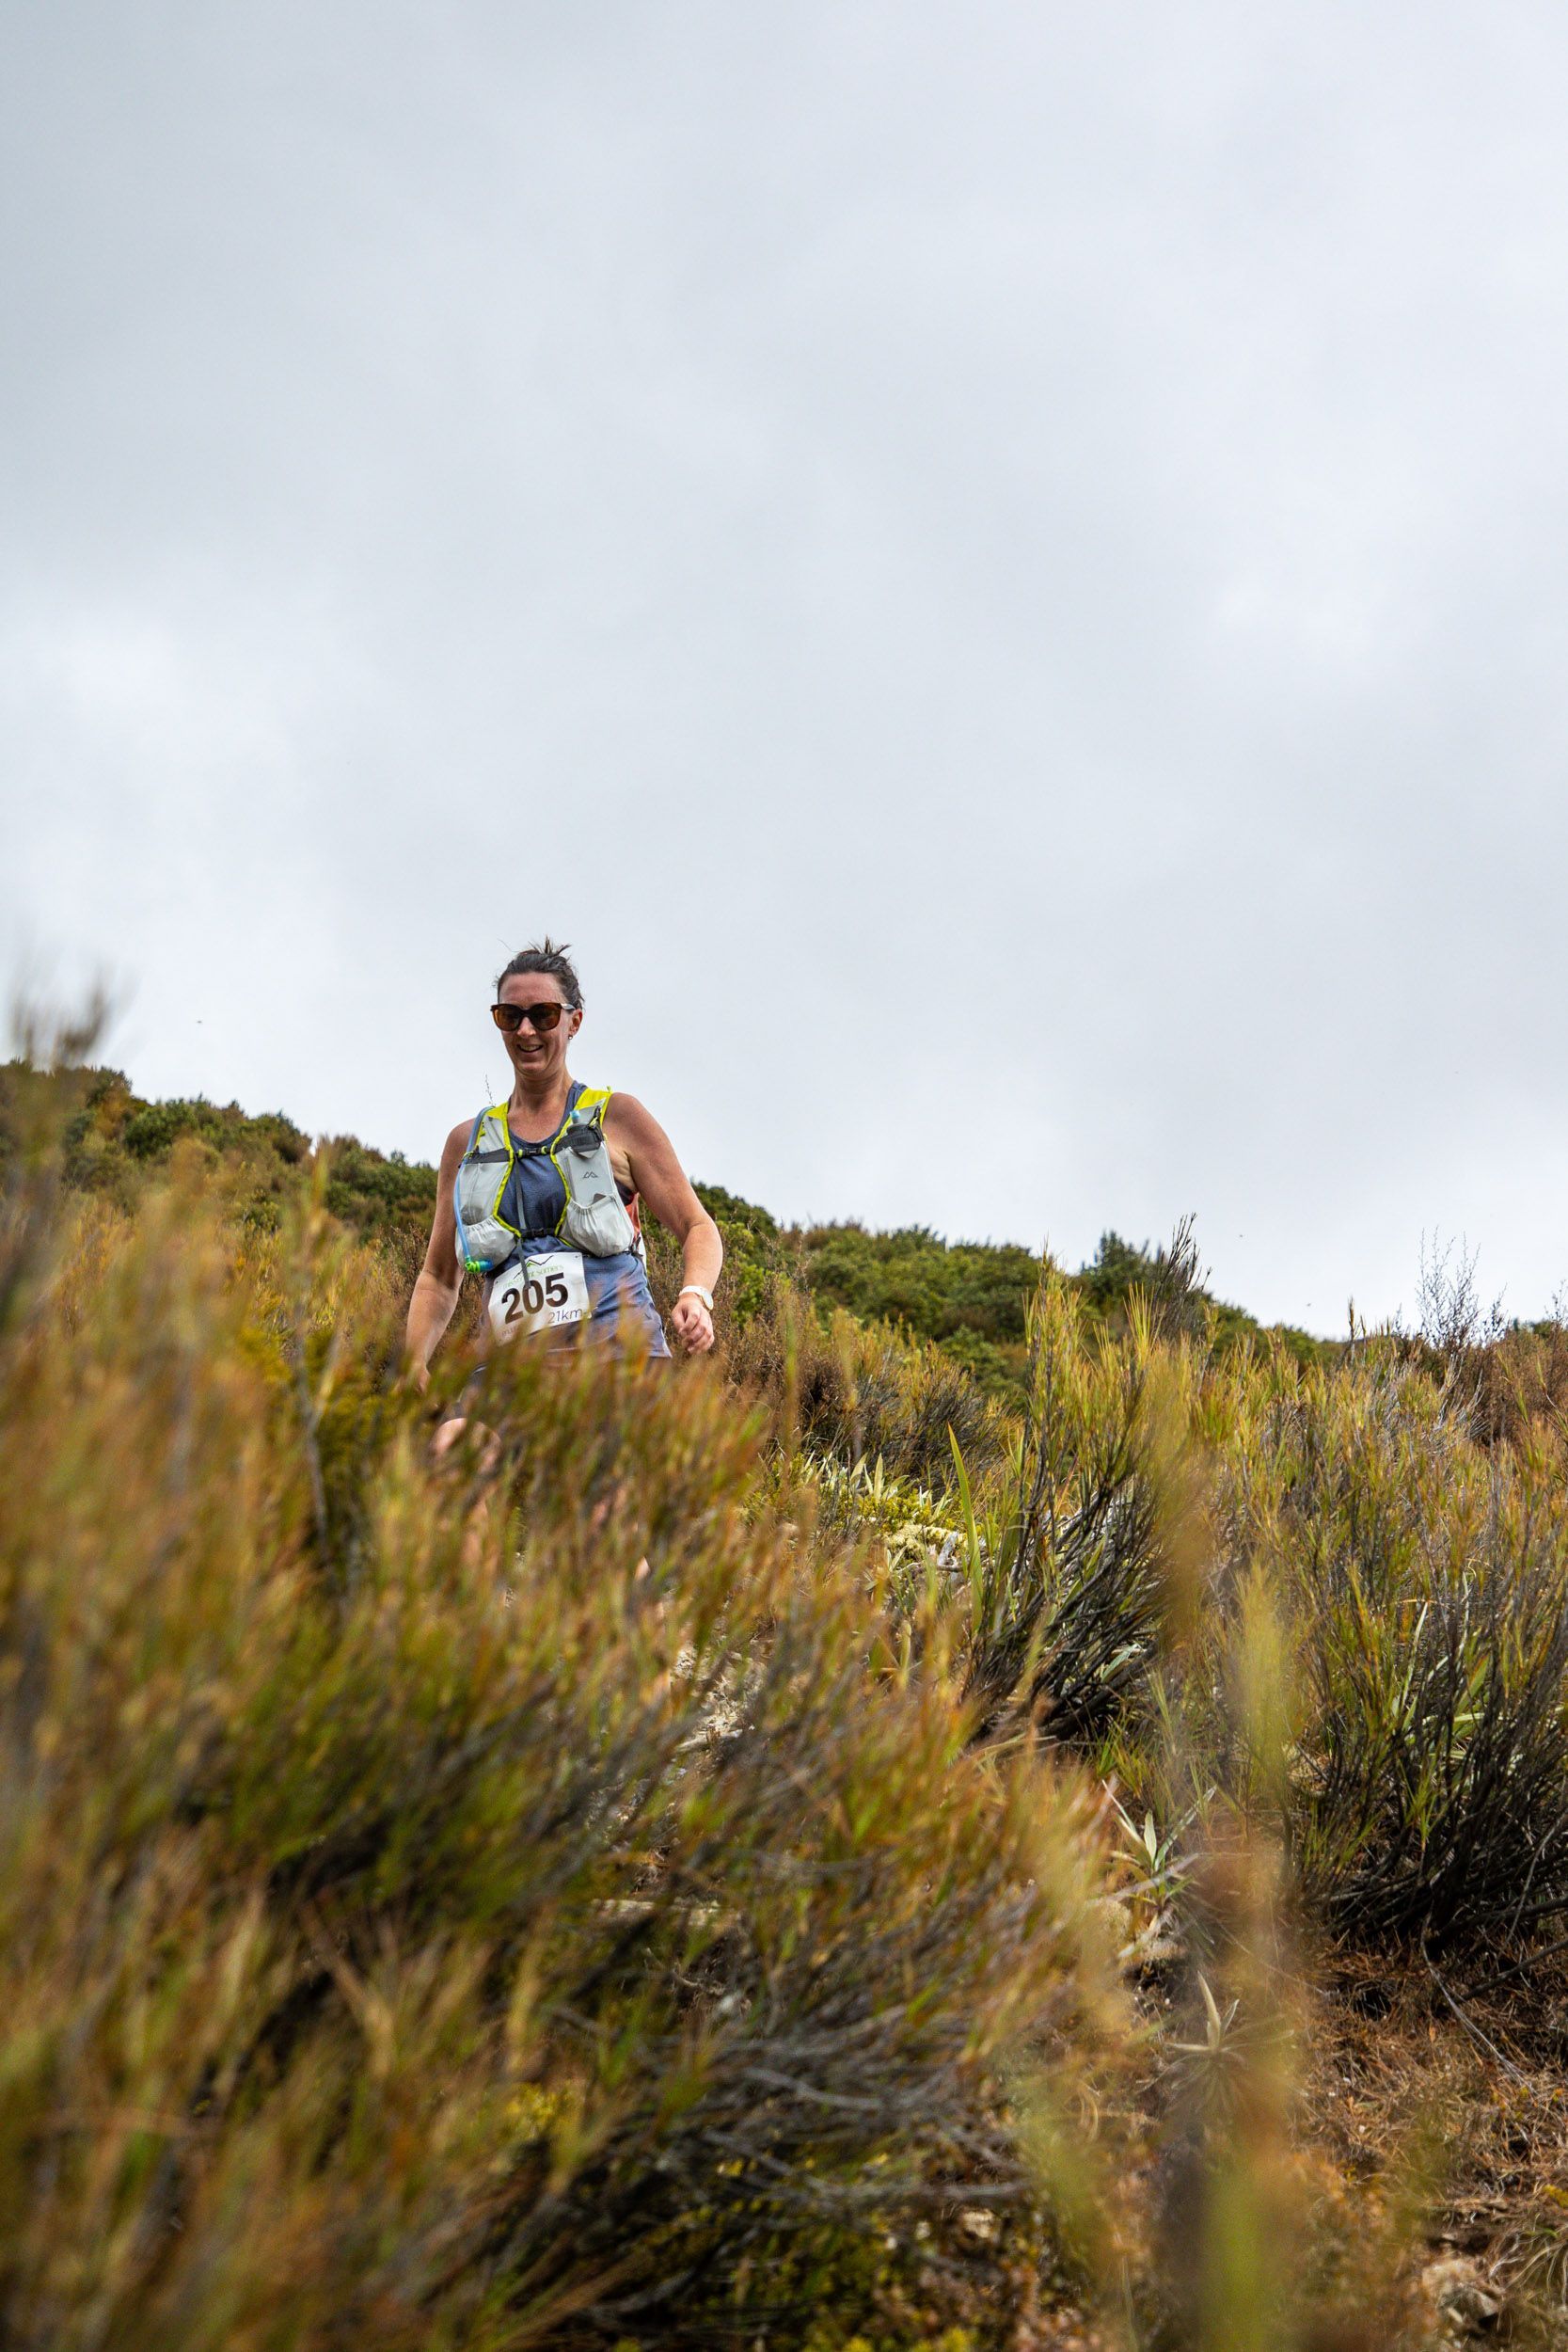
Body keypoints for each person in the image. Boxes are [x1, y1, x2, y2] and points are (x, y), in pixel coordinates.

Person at [405, 940, 721, 1430]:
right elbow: (439, 1277)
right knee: (454, 1446)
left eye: (544, 1014)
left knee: (600, 1478)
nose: (526, 1029)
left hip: (620, 1368)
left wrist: (695, 1295)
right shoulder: (465, 1144)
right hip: (506, 1382)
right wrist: (414, 1361)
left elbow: (697, 1226)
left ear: (574, 1022)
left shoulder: (618, 1118)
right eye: (510, 1016)